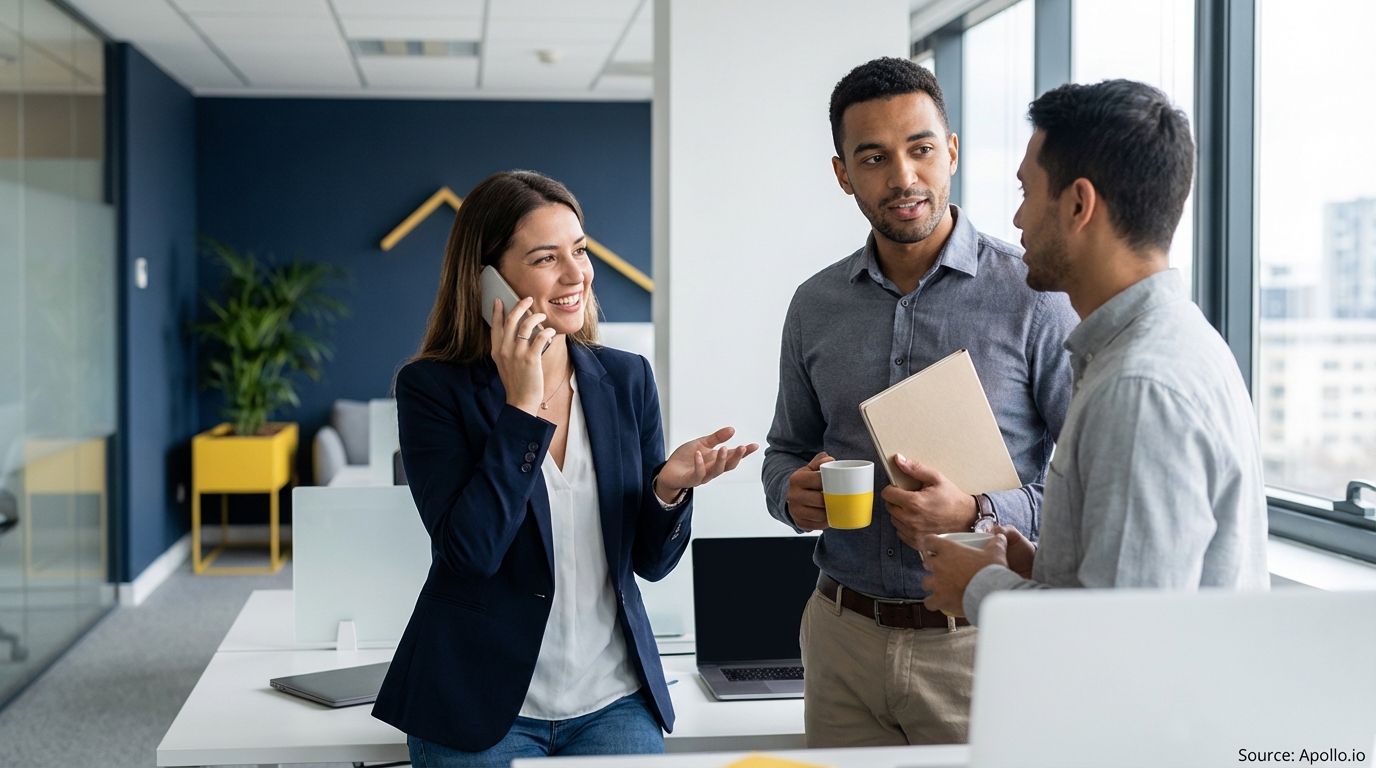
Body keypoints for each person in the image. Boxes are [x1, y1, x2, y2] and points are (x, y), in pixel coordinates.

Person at [372, 170, 757, 766]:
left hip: (612, 700)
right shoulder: (432, 390)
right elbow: (469, 553)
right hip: (478, 701)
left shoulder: (626, 379)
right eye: (547, 258)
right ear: (488, 281)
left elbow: (649, 566)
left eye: (579, 250)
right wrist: (521, 409)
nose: (577, 275)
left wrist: (666, 492)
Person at [760, 57, 1078, 747]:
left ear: (952, 152)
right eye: (873, 157)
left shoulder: (1036, 293)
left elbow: (1087, 484)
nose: (902, 177)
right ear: (843, 173)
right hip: (840, 636)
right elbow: (784, 447)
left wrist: (977, 512)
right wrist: (790, 493)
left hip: (975, 641)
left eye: (921, 149)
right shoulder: (815, 306)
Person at [919, 80, 1269, 623]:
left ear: (1079, 204)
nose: (1018, 220)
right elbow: (1129, 586)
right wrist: (1041, 568)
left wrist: (981, 586)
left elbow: (1120, 634)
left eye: (1026, 193)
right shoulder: (1176, 344)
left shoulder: (1139, 388)